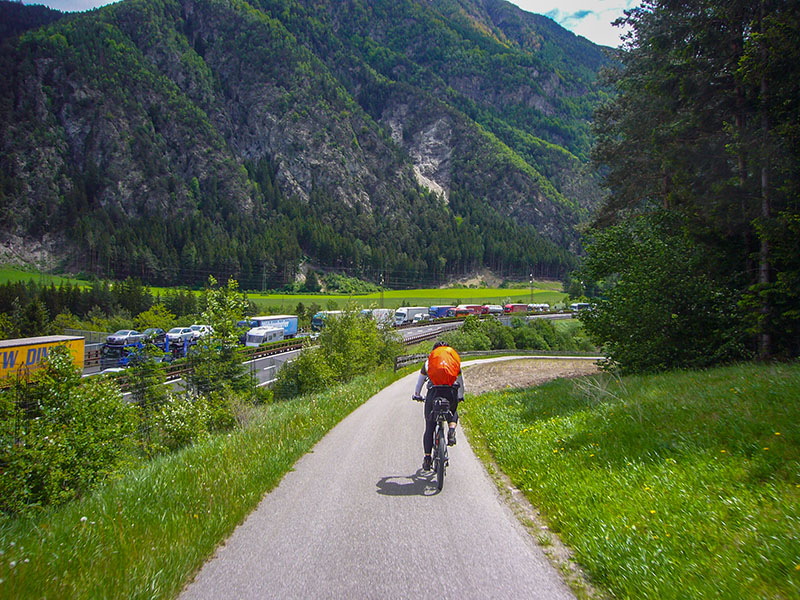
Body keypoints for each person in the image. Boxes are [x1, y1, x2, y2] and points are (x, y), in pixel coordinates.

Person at [412, 341, 465, 471]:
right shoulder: (453, 362)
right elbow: (460, 382)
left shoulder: (428, 362)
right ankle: (451, 430)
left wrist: (417, 395)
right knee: (453, 411)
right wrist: (460, 396)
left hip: (433, 394)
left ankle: (427, 458)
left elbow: (420, 383)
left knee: (429, 427)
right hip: (450, 393)